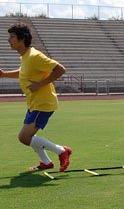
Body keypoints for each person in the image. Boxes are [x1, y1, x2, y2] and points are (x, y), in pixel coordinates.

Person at [0, 23, 72, 172]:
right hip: (34, 103)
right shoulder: (25, 56)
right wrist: (4, 74)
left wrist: (40, 84)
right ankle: (46, 162)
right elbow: (23, 72)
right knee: (30, 136)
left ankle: (61, 151)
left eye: (12, 37)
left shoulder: (35, 56)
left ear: (21, 39)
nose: (9, 40)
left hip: (43, 103)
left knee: (24, 137)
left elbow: (60, 69)